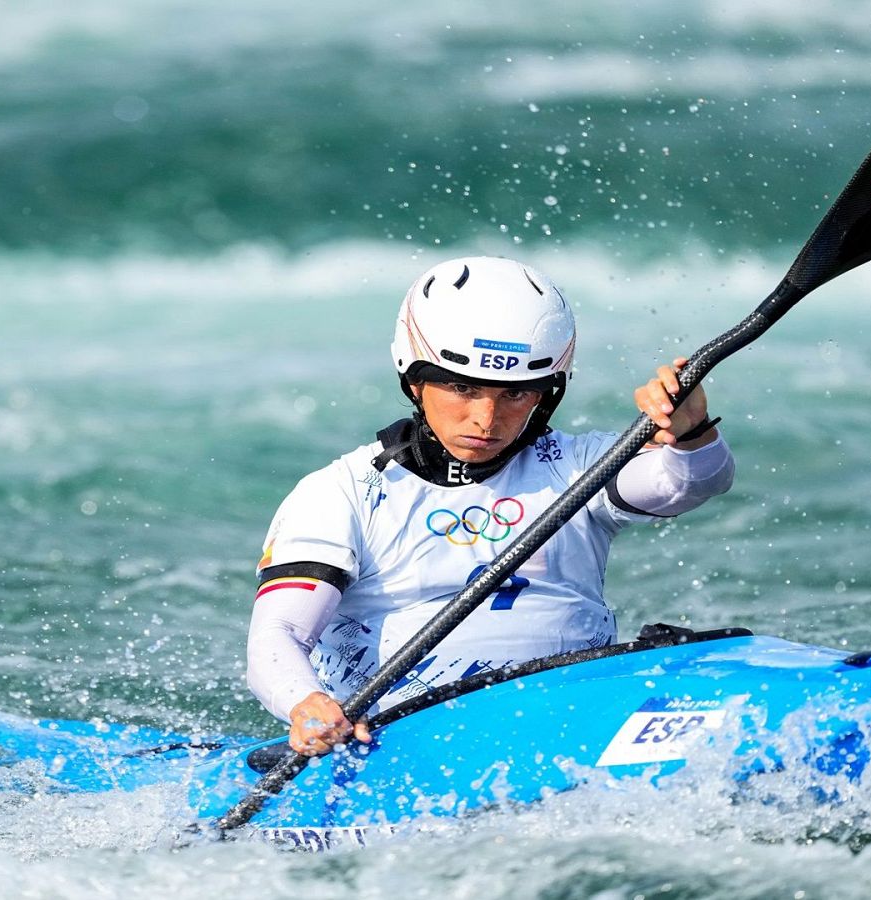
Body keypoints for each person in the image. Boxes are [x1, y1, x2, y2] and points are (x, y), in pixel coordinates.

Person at [247, 256, 735, 756]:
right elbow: (278, 634)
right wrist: (305, 703)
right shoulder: (342, 492)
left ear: (547, 393)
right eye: (462, 387)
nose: (487, 418)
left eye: (517, 393)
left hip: (579, 711)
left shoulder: (576, 466)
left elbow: (690, 483)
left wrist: (691, 432)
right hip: (403, 738)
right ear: (414, 380)